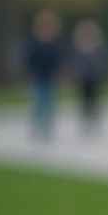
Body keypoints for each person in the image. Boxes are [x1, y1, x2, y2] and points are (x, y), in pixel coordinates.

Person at [24, 9, 64, 140]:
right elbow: (30, 59)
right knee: (37, 102)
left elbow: (58, 60)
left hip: (50, 76)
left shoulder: (55, 43)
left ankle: (46, 127)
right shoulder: (34, 42)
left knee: (49, 103)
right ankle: (37, 127)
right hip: (37, 76)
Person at [72, 19, 107, 135]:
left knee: (95, 101)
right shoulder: (79, 48)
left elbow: (102, 62)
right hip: (83, 78)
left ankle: (94, 121)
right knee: (85, 101)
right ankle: (86, 121)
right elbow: (76, 64)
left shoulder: (98, 47)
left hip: (95, 78)